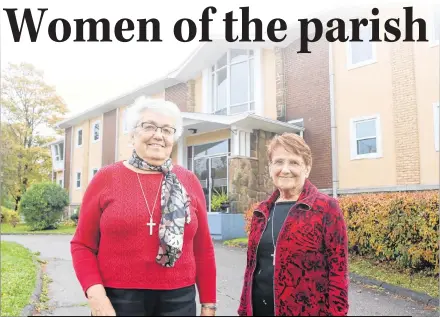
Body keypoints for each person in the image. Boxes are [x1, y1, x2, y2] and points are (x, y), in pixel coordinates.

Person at [71, 96, 217, 316]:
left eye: (167, 130)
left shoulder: (189, 181)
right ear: (132, 134)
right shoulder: (106, 178)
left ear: (173, 138)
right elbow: (82, 245)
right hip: (117, 300)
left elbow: (203, 248)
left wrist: (208, 304)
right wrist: (97, 298)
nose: (158, 135)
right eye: (149, 126)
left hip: (179, 300)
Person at [238, 133, 349, 316]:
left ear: (307, 168)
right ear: (270, 167)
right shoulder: (261, 212)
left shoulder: (326, 208)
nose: (285, 169)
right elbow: (251, 270)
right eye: (279, 162)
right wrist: (243, 311)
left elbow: (338, 272)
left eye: (294, 162)